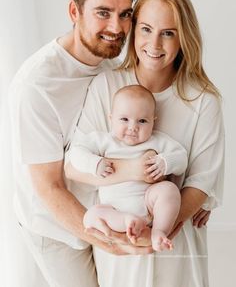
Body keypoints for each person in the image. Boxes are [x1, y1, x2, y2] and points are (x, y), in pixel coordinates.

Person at [65, 0, 225, 287]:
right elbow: (74, 167)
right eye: (146, 29)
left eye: (168, 33)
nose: (155, 44)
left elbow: (202, 182)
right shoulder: (107, 87)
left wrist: (157, 227)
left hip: (174, 241)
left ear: (184, 39)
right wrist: (132, 182)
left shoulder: (202, 100)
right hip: (120, 239)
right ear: (134, 30)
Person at [8, 0, 141, 287]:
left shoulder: (110, 67)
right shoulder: (38, 84)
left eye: (125, 14)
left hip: (99, 207)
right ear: (74, 11)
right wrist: (106, 238)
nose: (117, 26)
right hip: (54, 226)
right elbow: (48, 187)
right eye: (103, 12)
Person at [68, 84, 188, 251]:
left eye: (142, 121)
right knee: (90, 217)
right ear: (111, 119)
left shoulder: (158, 141)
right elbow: (75, 154)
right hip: (114, 209)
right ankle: (127, 221)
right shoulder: (104, 141)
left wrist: (165, 162)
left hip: (149, 202)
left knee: (169, 190)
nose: (133, 127)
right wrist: (94, 163)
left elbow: (182, 158)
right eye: (124, 119)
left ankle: (158, 232)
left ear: (153, 121)